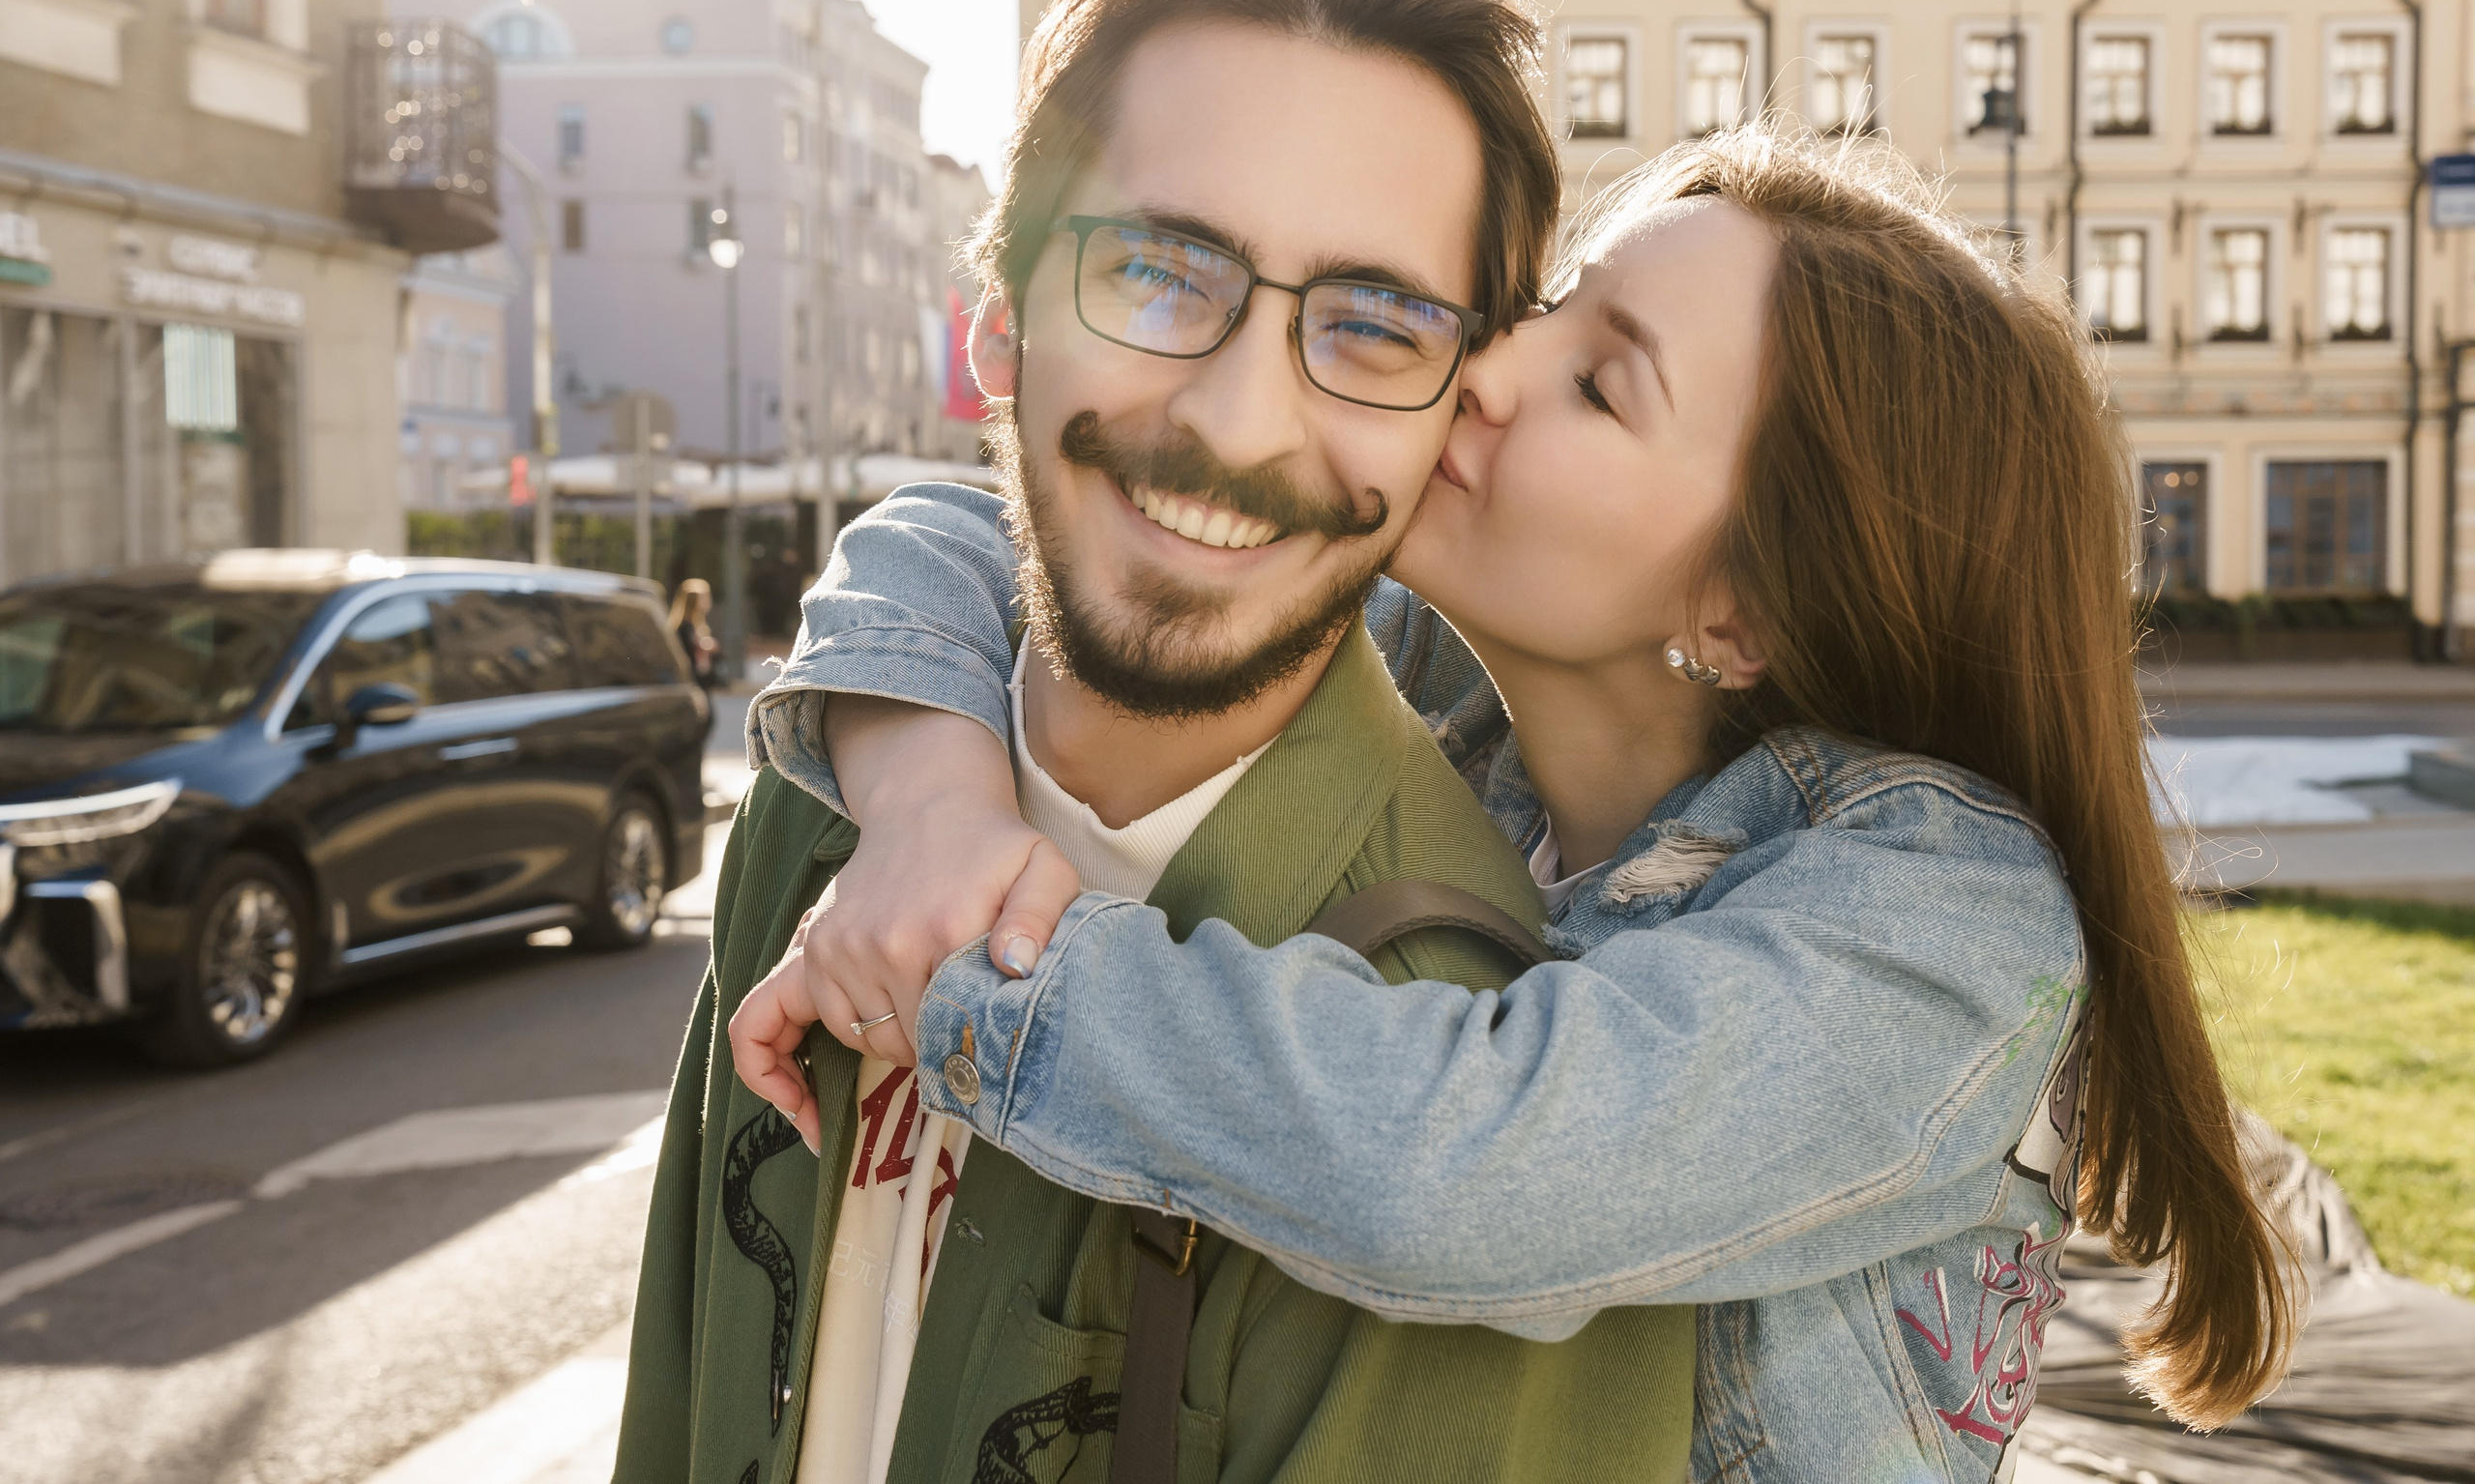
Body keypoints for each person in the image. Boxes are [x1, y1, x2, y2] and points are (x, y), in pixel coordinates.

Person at [729, 124, 2302, 1480]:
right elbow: (969, 533)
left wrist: (971, 975)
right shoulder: (1460, 698)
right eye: (1549, 308)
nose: (1484, 368)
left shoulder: (1943, 908)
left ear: (1744, 606)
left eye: (1599, 384)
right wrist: (931, 805)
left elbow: (1458, 1170)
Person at [612, 0, 1696, 1484]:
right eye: (1159, 270)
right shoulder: (823, 804)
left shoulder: (1444, 1064)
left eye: (1374, 323)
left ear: (1454, 412)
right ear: (999, 321)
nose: (1243, 422)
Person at [667, 576, 718, 689]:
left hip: (700, 680)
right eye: (703, 598)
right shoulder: (683, 627)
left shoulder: (699, 625)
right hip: (690, 681)